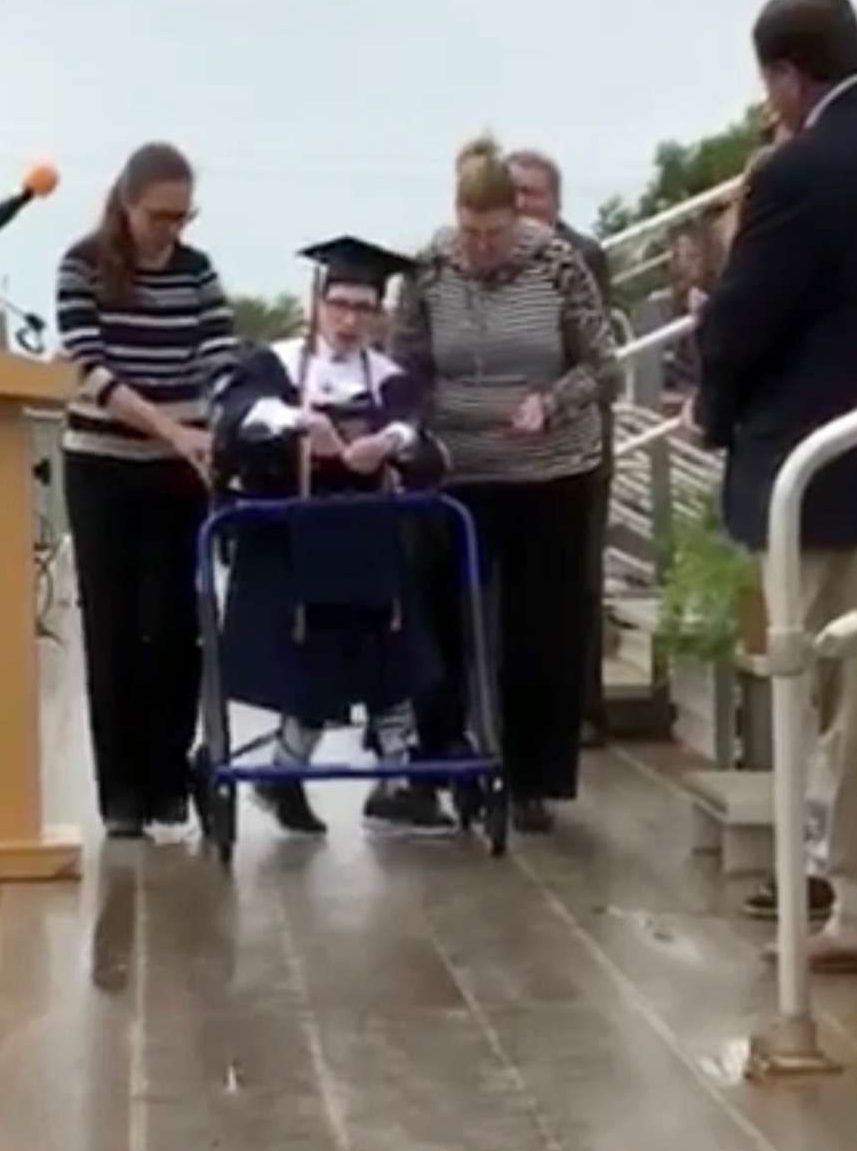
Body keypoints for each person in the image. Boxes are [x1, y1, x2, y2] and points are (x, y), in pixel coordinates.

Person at [697, 0, 857, 969]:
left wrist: (710, 409)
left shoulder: (798, 171)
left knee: (855, 700)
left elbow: (738, 319)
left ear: (786, 75)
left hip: (829, 479)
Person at [392, 136, 619, 833]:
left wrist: (550, 402)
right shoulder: (428, 270)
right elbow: (406, 366)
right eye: (472, 232)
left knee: (541, 626)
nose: (483, 247)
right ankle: (433, 763)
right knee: (441, 617)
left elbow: (603, 366)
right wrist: (414, 423)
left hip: (550, 467)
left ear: (516, 220)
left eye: (496, 233)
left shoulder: (557, 263)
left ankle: (532, 779)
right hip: (460, 467)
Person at [212, 236, 453, 838]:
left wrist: (389, 444)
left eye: (364, 308)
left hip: (370, 543)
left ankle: (391, 780)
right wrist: (301, 425)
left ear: (380, 315)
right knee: (310, 659)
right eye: (340, 304)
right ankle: (287, 776)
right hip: (292, 545)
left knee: (387, 654)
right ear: (317, 304)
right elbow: (239, 417)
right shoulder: (275, 364)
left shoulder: (391, 377)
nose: (350, 320)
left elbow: (419, 429)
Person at [58, 142, 237, 840]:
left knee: (177, 624)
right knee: (113, 627)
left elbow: (219, 355)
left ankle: (169, 779)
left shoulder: (198, 271)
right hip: (103, 463)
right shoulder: (82, 265)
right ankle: (121, 794)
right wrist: (170, 427)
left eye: (183, 215)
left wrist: (219, 420)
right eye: (160, 215)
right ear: (127, 204)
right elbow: (91, 370)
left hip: (181, 470)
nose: (172, 229)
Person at [506, 147, 619, 748]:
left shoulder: (580, 256)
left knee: (579, 578)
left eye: (534, 193)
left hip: (573, 436)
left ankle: (583, 705)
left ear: (555, 201)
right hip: (504, 444)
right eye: (514, 192)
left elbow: (592, 353)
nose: (524, 204)